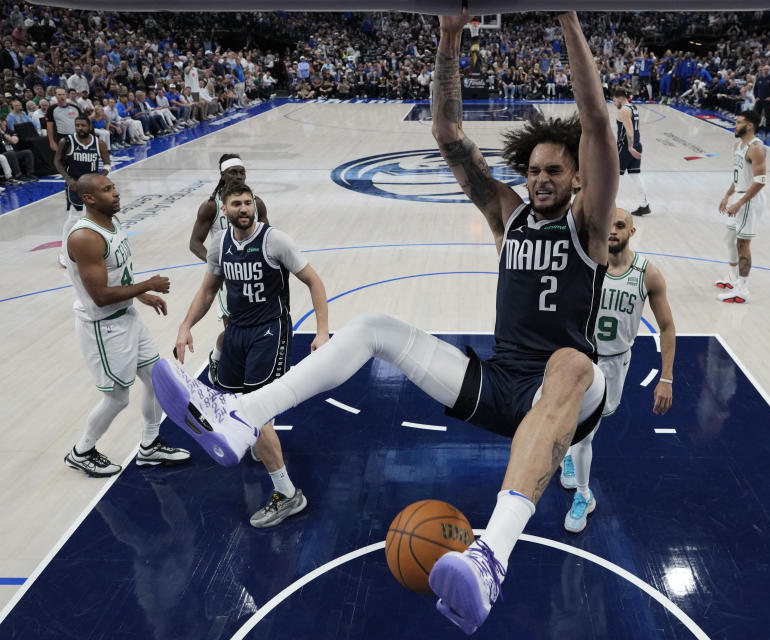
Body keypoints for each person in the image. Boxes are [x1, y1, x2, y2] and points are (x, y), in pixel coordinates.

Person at [150, 11, 616, 635]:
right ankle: (242, 417)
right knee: (371, 324)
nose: (540, 179)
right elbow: (449, 131)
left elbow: (596, 123)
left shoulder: (588, 225)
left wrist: (566, 16)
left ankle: (490, 558)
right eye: (533, 170)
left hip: (569, 392)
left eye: (554, 171)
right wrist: (450, 34)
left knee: (573, 362)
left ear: (579, 178)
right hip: (504, 384)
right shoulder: (510, 217)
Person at [173, 181, 328, 527]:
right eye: (236, 204)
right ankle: (259, 442)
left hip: (270, 330)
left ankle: (288, 494)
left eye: (248, 203)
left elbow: (314, 281)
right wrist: (186, 325)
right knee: (232, 399)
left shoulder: (275, 241)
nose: (244, 209)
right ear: (224, 210)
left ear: (254, 208)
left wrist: (321, 332)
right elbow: (209, 289)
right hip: (236, 331)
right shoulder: (219, 246)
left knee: (257, 413)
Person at [63, 173, 190, 477]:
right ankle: (82, 451)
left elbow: (116, 275)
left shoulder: (112, 221)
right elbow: (100, 296)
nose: (116, 193)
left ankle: (149, 446)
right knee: (118, 397)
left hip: (127, 317)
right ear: (88, 199)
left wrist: (142, 294)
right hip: (104, 327)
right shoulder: (84, 237)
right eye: (107, 190)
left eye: (114, 187)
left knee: (159, 380)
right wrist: (149, 284)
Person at [558, 207, 676, 532]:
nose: (612, 230)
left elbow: (667, 327)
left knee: (582, 430)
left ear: (631, 232)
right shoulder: (586, 265)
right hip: (581, 358)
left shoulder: (646, 274)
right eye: (607, 224)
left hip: (615, 364)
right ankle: (584, 495)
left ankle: (570, 457)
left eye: (620, 225)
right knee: (583, 434)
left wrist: (666, 378)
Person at [187, 154, 269, 380]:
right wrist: (217, 264)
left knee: (255, 329)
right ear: (222, 175)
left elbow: (266, 236)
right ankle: (218, 359)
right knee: (235, 331)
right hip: (227, 279)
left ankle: (247, 369)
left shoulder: (256, 202)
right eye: (233, 172)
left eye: (242, 172)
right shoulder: (211, 206)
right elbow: (195, 243)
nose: (239, 176)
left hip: (253, 276)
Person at [715, 109, 766, 303]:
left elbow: (760, 181)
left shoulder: (756, 148)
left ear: (750, 126)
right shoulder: (738, 145)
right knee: (729, 238)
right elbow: (739, 175)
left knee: (743, 243)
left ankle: (742, 289)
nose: (734, 125)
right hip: (739, 195)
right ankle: (733, 277)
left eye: (738, 122)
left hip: (749, 199)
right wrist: (728, 195)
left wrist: (739, 202)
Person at [54, 114, 110, 268]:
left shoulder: (99, 143)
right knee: (74, 217)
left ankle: (97, 250)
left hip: (92, 186)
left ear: (89, 126)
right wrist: (68, 179)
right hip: (75, 185)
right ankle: (63, 252)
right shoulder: (67, 141)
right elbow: (57, 161)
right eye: (77, 125)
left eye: (83, 125)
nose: (80, 128)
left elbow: (107, 164)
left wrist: (100, 178)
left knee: (96, 217)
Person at [612, 88, 650, 216]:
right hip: (637, 144)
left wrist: (629, 147)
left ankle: (608, 207)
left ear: (620, 98)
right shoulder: (633, 107)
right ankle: (644, 205)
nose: (614, 103)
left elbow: (629, 129)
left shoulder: (624, 110)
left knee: (614, 176)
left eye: (614, 100)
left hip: (626, 147)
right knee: (635, 175)